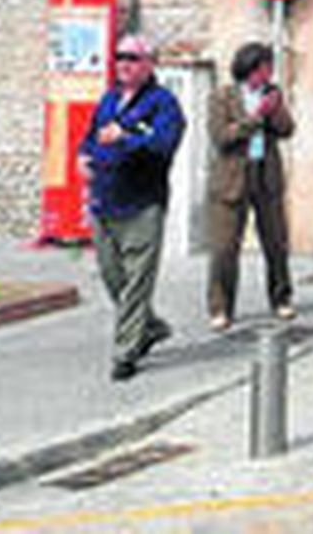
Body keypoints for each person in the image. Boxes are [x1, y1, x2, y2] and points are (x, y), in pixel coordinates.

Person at [78, 35, 186, 381]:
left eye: (132, 58)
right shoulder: (109, 99)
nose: (123, 63)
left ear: (149, 64)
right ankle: (150, 327)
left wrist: (127, 138)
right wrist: (83, 156)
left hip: (142, 204)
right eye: (119, 57)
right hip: (104, 201)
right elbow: (90, 135)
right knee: (114, 279)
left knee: (137, 283)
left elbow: (164, 145)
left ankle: (125, 354)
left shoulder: (163, 103)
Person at [206, 42, 296, 332]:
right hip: (231, 178)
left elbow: (287, 130)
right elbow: (221, 136)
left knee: (276, 242)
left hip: (265, 174)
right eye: (265, 67)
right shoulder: (223, 96)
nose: (269, 73)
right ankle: (221, 307)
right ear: (251, 69)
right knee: (224, 248)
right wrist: (255, 117)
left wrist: (276, 109)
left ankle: (281, 298)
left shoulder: (272, 94)